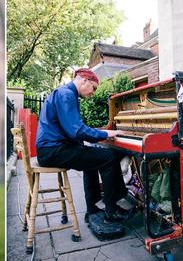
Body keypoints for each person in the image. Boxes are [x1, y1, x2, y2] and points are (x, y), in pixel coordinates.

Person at [36, 68, 134, 238]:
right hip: (53, 151)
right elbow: (76, 131)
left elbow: (72, 129)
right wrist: (105, 134)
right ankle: (112, 208)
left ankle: (93, 207)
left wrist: (96, 134)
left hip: (51, 149)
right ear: (84, 80)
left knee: (93, 158)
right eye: (94, 88)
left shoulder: (64, 93)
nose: (93, 93)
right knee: (108, 157)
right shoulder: (66, 95)